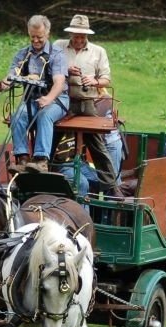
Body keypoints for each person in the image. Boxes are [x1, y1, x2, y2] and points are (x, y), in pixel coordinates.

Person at [0, 15, 68, 174]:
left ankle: (41, 160)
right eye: (32, 37)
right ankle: (23, 159)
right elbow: (12, 77)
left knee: (44, 115)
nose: (35, 41)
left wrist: (48, 98)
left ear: (47, 34)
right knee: (17, 116)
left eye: (39, 37)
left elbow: (59, 83)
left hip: (57, 100)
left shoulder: (57, 54)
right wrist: (1, 85)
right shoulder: (22, 54)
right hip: (31, 100)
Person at [60, 14, 122, 197]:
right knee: (54, 133)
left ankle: (111, 184)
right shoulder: (58, 46)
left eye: (82, 36)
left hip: (87, 101)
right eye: (76, 35)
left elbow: (106, 79)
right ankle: (46, 166)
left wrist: (94, 81)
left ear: (87, 36)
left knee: (95, 141)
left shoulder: (98, 51)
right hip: (63, 99)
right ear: (71, 34)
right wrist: (66, 70)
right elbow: (49, 69)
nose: (79, 39)